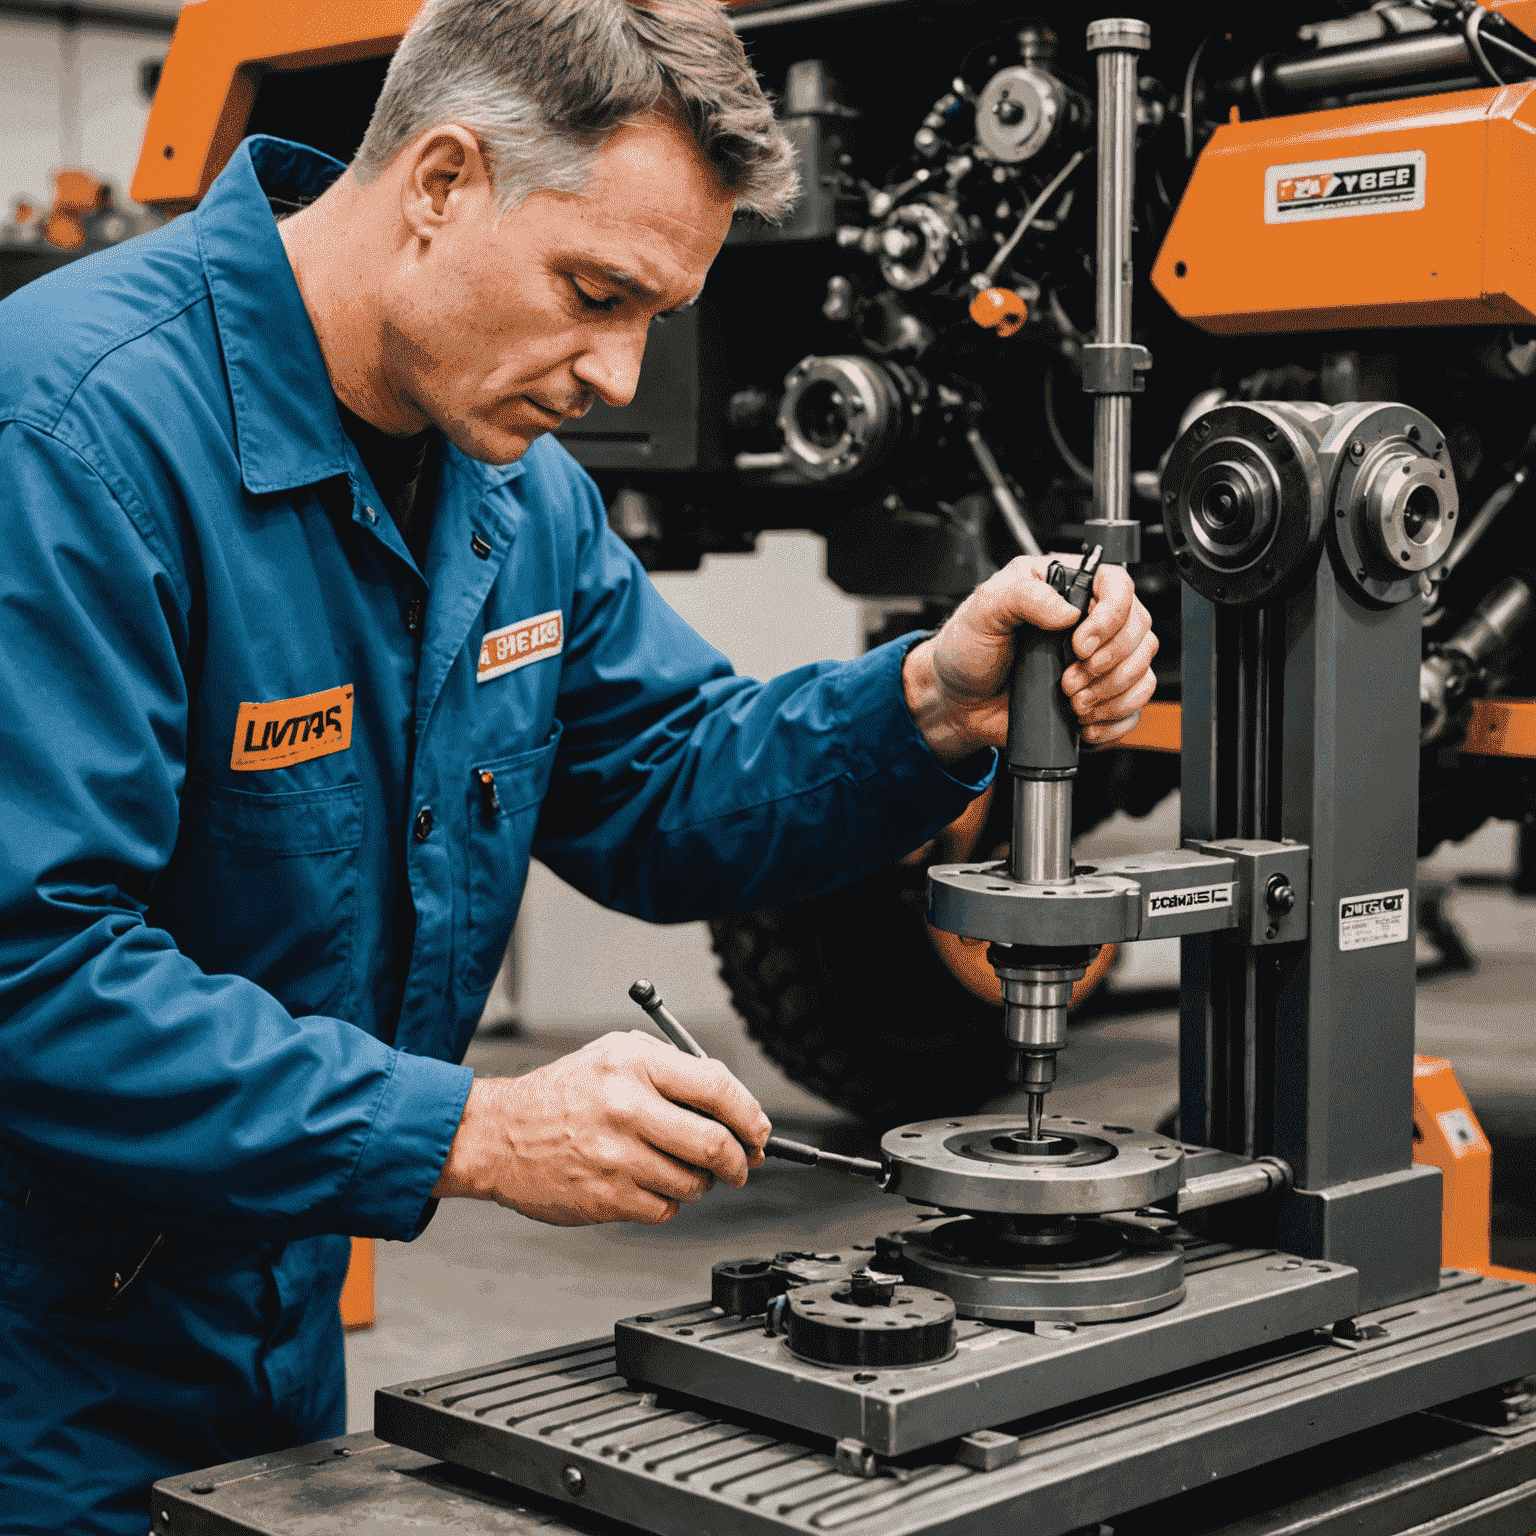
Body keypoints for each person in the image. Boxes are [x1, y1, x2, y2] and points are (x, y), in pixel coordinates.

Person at [0, 1, 1157, 1528]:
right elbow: (34, 963)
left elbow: (667, 780)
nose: (618, 375)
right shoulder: (69, 436)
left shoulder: (511, 497)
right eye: (595, 292)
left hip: (246, 1314)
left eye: (654, 318)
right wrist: (473, 1129)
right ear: (440, 182)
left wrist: (934, 699)